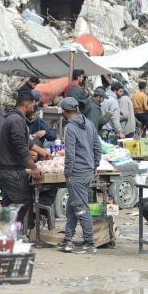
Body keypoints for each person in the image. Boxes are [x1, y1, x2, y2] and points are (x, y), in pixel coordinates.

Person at [58, 97, 100, 254]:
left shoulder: (70, 128)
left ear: (64, 112)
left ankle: (89, 243)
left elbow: (70, 154)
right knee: (73, 206)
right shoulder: (89, 123)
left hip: (77, 173)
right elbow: (97, 147)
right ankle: (68, 240)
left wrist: (67, 173)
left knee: (81, 209)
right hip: (88, 172)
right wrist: (95, 165)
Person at [0, 92, 43, 230]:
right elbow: (21, 147)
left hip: (7, 170)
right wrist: (34, 167)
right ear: (27, 105)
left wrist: (42, 152)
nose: (34, 108)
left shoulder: (14, 118)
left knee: (9, 205)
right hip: (12, 172)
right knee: (21, 203)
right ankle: (10, 233)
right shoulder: (16, 120)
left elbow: (27, 142)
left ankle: (4, 235)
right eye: (33, 105)